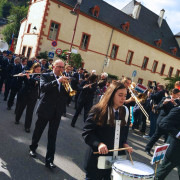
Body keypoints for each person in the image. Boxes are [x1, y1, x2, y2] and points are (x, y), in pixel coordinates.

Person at [82, 81, 133, 180]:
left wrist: (125, 144)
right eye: (120, 95)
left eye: (125, 95)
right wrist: (99, 144)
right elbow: (87, 132)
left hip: (115, 161)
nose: (123, 98)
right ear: (111, 95)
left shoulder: (125, 111)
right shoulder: (98, 110)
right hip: (97, 160)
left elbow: (123, 134)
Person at [29, 59, 69, 169]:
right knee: (38, 131)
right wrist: (57, 81)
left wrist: (68, 87)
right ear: (53, 66)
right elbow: (43, 88)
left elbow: (66, 96)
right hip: (45, 109)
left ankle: (50, 160)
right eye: (59, 67)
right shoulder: (45, 75)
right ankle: (32, 148)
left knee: (52, 136)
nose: (61, 69)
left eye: (62, 67)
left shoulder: (64, 78)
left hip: (57, 112)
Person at [145, 88, 180, 156]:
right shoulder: (165, 98)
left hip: (171, 123)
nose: (178, 96)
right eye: (178, 95)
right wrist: (163, 103)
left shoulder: (178, 101)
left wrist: (175, 104)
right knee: (156, 135)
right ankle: (147, 148)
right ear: (173, 94)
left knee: (168, 139)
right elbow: (157, 107)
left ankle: (165, 154)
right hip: (162, 120)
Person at [15, 63, 41, 132]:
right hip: (25, 93)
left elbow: (35, 83)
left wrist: (29, 78)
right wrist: (20, 75)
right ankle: (17, 119)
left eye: (39, 69)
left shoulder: (39, 76)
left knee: (30, 111)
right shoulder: (27, 72)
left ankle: (27, 126)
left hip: (33, 95)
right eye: (37, 69)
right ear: (34, 69)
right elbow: (20, 80)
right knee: (21, 107)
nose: (39, 71)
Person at [155, 106, 180, 180]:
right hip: (175, 150)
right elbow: (163, 123)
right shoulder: (178, 110)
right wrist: (178, 134)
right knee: (161, 174)